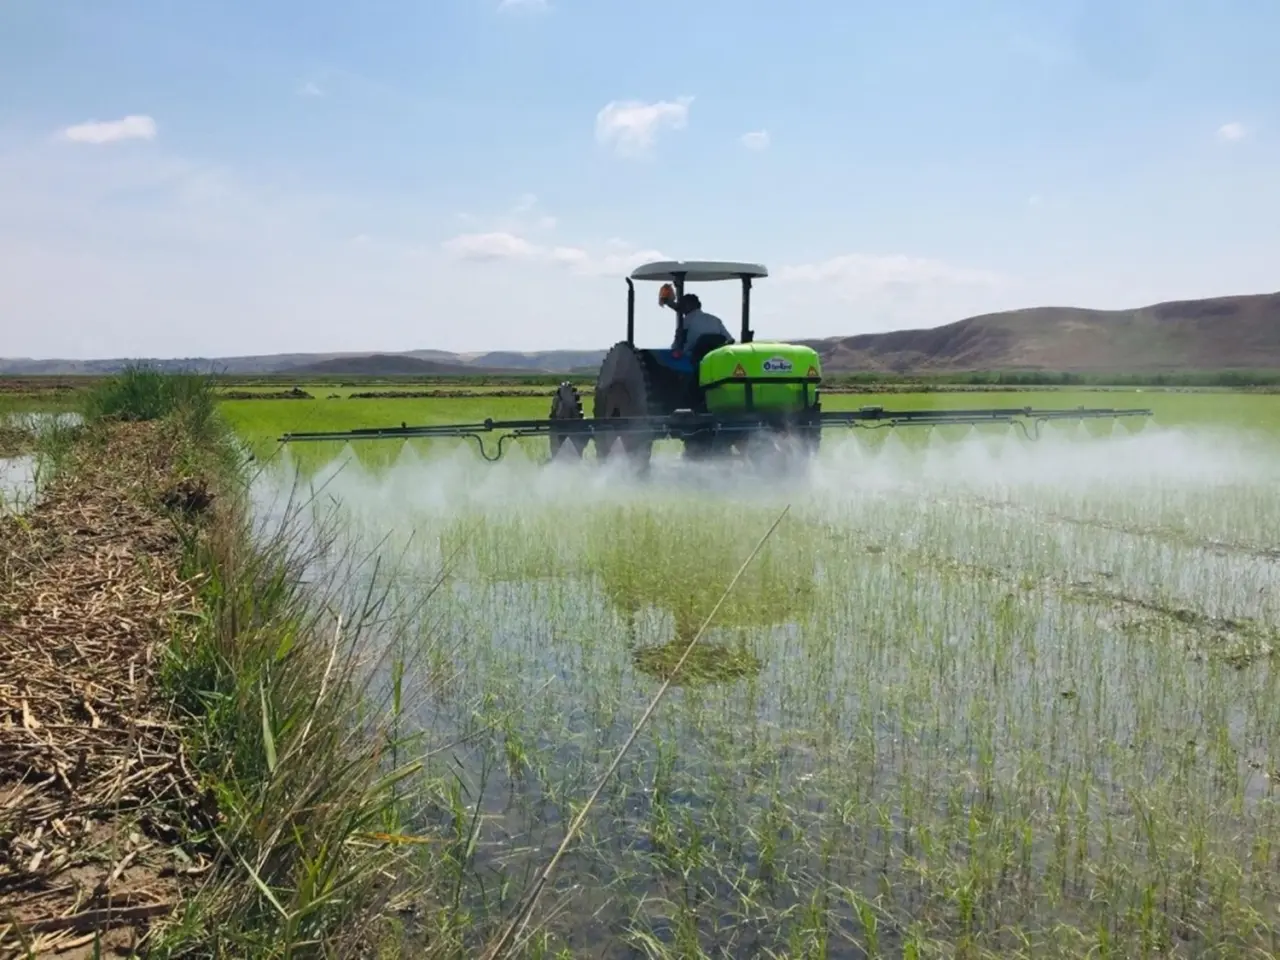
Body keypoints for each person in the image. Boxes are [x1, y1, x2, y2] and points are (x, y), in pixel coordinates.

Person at [659, 286, 733, 353]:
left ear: (687, 305)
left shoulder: (686, 322)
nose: (681, 307)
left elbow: (678, 343)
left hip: (691, 360)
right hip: (716, 359)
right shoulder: (715, 320)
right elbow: (730, 340)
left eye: (682, 305)